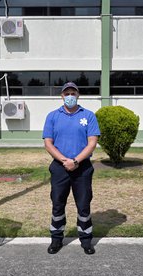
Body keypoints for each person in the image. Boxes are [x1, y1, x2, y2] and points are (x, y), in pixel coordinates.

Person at [42, 81, 100, 255]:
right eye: (66, 93)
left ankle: (86, 240)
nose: (70, 96)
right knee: (57, 204)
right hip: (59, 168)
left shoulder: (88, 115)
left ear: (78, 95)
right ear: (61, 96)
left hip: (82, 168)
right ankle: (56, 239)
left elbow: (92, 143)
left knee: (83, 205)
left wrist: (75, 161)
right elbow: (48, 143)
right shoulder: (52, 116)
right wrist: (64, 160)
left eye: (73, 93)